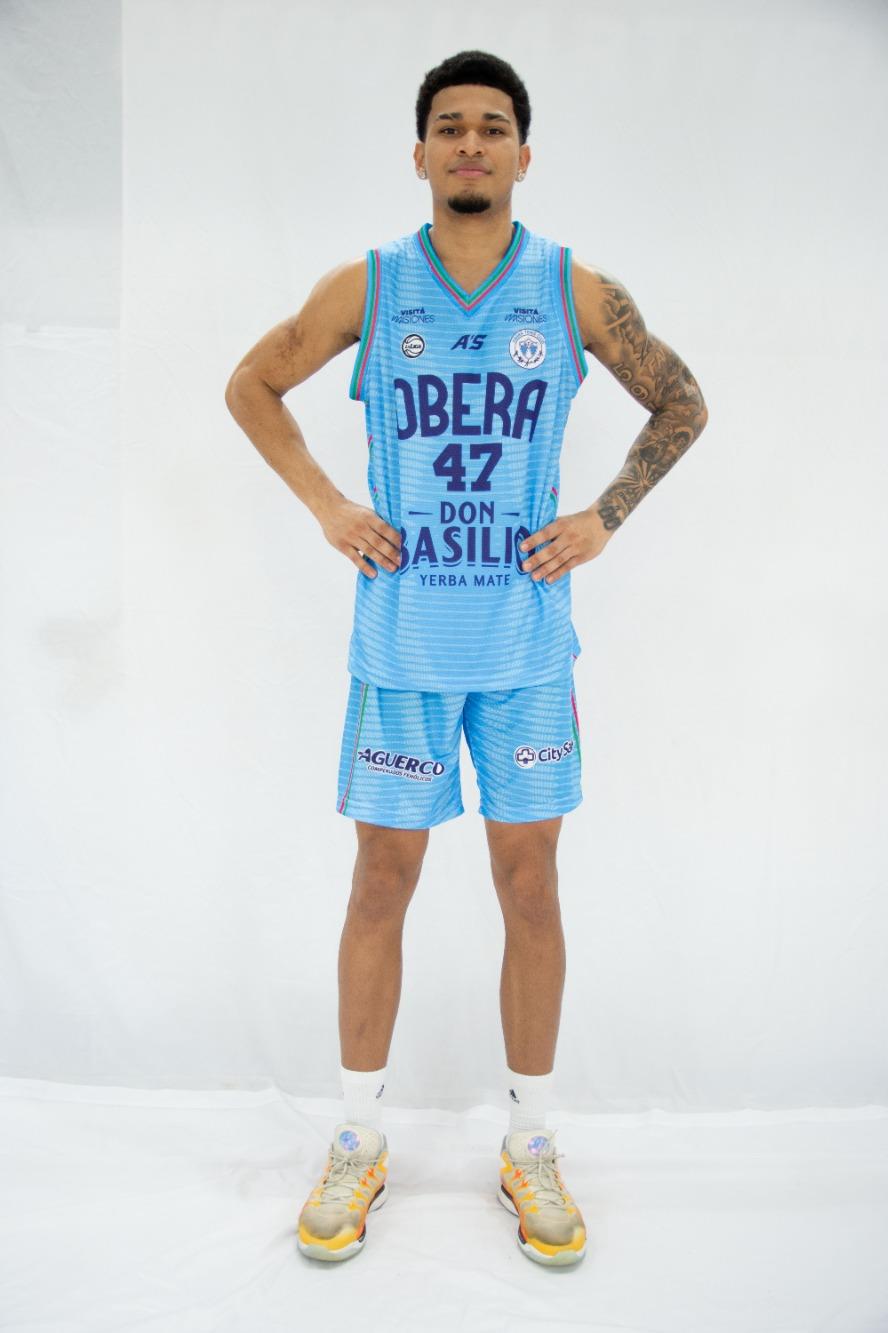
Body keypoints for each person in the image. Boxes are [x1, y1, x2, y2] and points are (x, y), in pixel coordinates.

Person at [224, 49, 708, 1268]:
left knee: (530, 886)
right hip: (401, 644)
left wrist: (603, 517)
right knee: (379, 885)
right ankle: (356, 1136)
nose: (472, 143)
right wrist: (330, 505)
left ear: (524, 154)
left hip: (526, 646)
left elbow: (684, 401)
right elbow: (252, 384)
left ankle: (530, 1140)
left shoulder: (571, 288)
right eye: (451, 127)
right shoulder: (372, 285)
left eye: (493, 126)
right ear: (421, 153)